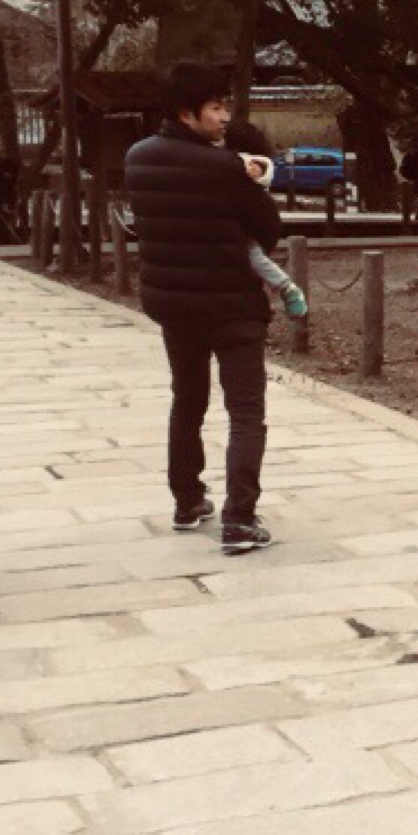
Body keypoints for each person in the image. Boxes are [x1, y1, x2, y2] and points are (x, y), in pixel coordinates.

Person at [125, 64, 284, 556]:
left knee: (187, 402)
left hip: (174, 303)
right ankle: (239, 518)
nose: (223, 116)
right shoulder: (226, 167)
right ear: (187, 113)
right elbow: (269, 230)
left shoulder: (137, 158)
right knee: (246, 411)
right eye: (215, 108)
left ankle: (187, 500)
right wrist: (253, 181)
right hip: (232, 304)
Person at [222, 120, 307, 320]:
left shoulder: (242, 161)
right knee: (252, 257)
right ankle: (283, 289)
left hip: (240, 229)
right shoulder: (234, 159)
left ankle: (285, 286)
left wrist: (256, 169)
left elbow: (263, 169)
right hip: (245, 227)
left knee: (251, 254)